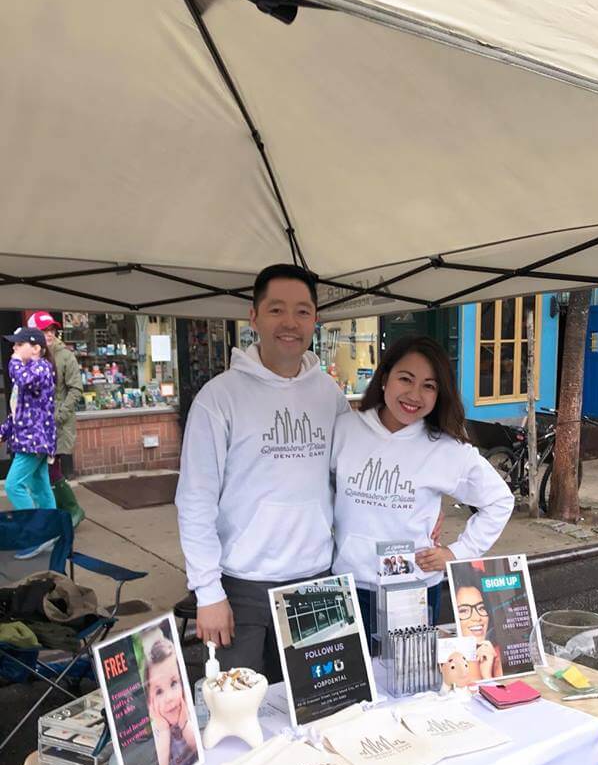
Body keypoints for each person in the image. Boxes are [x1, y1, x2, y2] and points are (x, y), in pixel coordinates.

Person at [175, 265, 349, 679]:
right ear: (253, 316)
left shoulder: (330, 395)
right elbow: (195, 499)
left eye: (302, 312)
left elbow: (349, 481)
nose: (290, 323)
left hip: (316, 583)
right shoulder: (219, 398)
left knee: (318, 713)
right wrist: (207, 591)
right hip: (241, 589)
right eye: (276, 310)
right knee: (241, 719)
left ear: (315, 320)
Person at [331, 335, 514, 644]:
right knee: (349, 689)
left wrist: (456, 552)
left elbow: (499, 501)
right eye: (406, 379)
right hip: (346, 588)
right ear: (385, 377)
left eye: (429, 385)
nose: (414, 394)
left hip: (412, 590)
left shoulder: (447, 449)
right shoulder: (346, 430)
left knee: (408, 686)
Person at [27, 311, 85, 526]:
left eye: (51, 329)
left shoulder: (64, 355)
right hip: (36, 423)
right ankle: (61, 511)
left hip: (57, 423)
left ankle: (72, 510)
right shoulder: (31, 355)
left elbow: (76, 389)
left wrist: (58, 415)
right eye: (44, 330)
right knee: (43, 469)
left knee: (51, 467)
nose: (48, 334)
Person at [0, 326, 57, 519]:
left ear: (36, 348)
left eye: (19, 344)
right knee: (40, 487)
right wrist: (4, 432)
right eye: (14, 345)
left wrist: (14, 362)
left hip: (33, 442)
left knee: (14, 485)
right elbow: (19, 412)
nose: (14, 349)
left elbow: (24, 380)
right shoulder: (29, 370)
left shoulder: (40, 367)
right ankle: (52, 530)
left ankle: (36, 530)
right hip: (31, 441)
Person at [144, 635, 197, 765]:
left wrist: (185, 724)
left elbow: (199, 751)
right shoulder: (156, 731)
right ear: (150, 702)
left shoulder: (187, 712)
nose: (169, 697)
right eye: (159, 691)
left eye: (174, 683)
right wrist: (164, 731)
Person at [455, 584, 502, 680]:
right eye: (464, 610)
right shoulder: (447, 658)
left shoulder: (498, 657)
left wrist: (487, 676)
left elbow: (507, 693)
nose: (477, 618)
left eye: (481, 608)